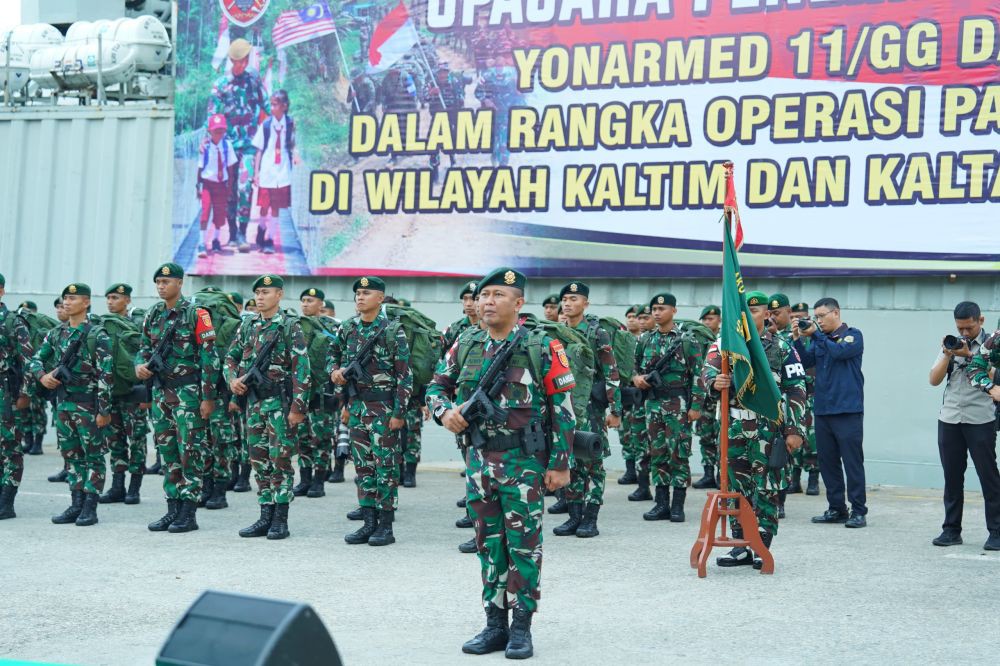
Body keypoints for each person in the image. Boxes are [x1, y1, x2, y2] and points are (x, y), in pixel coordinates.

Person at [427, 267, 575, 659]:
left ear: (518, 302)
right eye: (483, 295)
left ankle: (522, 628)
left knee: (524, 546)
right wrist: (445, 412)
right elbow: (436, 385)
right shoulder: (466, 342)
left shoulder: (543, 345)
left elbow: (564, 410)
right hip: (478, 460)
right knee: (488, 544)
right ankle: (495, 624)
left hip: (523, 463)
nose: (487, 302)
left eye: (497, 295)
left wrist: (560, 464)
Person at [704, 290, 806, 568]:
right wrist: (715, 382)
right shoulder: (724, 345)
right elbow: (707, 372)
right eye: (742, 311)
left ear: (767, 314)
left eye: (755, 310)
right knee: (738, 487)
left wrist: (794, 430)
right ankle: (740, 545)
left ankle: (761, 545)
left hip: (768, 428)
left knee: (767, 488)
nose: (748, 315)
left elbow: (796, 389)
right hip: (735, 426)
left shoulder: (782, 347)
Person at [136, 263, 219, 534]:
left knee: (190, 451)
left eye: (166, 281)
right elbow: (143, 349)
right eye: (158, 281)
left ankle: (188, 512)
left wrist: (208, 398)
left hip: (189, 394)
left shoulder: (197, 314)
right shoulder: (152, 314)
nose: (161, 286)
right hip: (161, 392)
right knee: (167, 450)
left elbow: (210, 358)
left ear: (180, 283)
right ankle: (172, 508)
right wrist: (140, 365)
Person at [328, 277, 412, 546]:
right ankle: (368, 523)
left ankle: (385, 526)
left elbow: (404, 376)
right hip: (357, 406)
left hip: (384, 408)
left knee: (384, 467)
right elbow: (333, 353)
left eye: (366, 293)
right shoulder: (347, 327)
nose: (360, 297)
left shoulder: (392, 331)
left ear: (380, 298)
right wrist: (335, 371)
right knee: (362, 466)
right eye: (357, 293)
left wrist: (399, 413)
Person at [228, 275, 310, 540]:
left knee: (280, 459)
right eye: (258, 293)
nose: (260, 297)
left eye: (266, 292)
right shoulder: (248, 325)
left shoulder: (289, 326)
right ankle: (265, 515)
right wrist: (232, 380)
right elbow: (231, 357)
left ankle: (280, 519)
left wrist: (298, 407)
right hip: (254, 403)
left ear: (280, 295)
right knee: (258, 459)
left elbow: (302, 369)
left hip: (280, 403)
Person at [29, 283, 113, 527]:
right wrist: (42, 376)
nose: (66, 302)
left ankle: (90, 507)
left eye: (73, 298)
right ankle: (75, 504)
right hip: (64, 405)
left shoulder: (98, 334)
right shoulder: (57, 333)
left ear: (86, 302)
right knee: (72, 457)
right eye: (65, 298)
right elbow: (36, 359)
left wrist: (104, 410)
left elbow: (106, 375)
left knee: (94, 457)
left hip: (89, 407)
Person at [552, 281, 621, 538]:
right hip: (564, 406)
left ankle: (590, 518)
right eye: (565, 299)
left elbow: (611, 371)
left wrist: (615, 409)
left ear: (586, 303)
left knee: (592, 462)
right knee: (569, 460)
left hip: (590, 408)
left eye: (574, 298)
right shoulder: (556, 331)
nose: (568, 303)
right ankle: (574, 515)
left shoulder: (597, 333)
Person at [795, 297, 868, 528]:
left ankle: (858, 510)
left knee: (852, 462)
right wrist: (798, 339)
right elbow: (805, 362)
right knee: (827, 462)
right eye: (815, 317)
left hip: (847, 410)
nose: (818, 321)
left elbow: (839, 353)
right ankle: (837, 508)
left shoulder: (853, 335)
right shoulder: (820, 340)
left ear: (836, 313)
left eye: (822, 316)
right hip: (824, 409)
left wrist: (815, 334)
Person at [632, 293, 704, 522]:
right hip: (653, 403)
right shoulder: (645, 339)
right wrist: (637, 378)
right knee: (657, 452)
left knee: (678, 453)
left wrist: (696, 406)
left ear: (673, 311)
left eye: (662, 309)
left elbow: (698, 375)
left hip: (678, 404)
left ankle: (677, 505)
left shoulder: (686, 340)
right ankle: (661, 503)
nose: (656, 312)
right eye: (654, 308)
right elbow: (633, 369)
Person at [943, 302, 1000, 550]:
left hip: (980, 419)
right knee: (952, 477)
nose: (964, 333)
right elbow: (982, 372)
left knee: (989, 477)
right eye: (960, 328)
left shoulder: (987, 341)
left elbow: (991, 371)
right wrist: (953, 355)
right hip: (952, 418)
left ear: (981, 320)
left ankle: (996, 531)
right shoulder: (990, 343)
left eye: (969, 327)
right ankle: (951, 530)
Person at [209, 38, 269, 253]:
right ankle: (232, 232)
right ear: (233, 61)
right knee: (229, 190)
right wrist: (209, 143)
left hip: (249, 144)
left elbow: (266, 104)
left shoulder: (253, 78)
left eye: (244, 60)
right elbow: (212, 115)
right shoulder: (221, 85)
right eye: (238, 61)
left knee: (245, 187)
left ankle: (242, 232)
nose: (241, 64)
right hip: (228, 146)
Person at [98, 283, 150, 506]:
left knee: (137, 440)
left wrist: (148, 397)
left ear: (127, 300)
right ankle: (117, 486)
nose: (111, 301)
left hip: (134, 393)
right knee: (115, 441)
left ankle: (134, 488)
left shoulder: (139, 322)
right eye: (108, 297)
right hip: (112, 392)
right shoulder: (102, 325)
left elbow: (148, 358)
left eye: (116, 297)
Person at [293, 287, 335, 498]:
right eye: (303, 300)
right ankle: (305, 480)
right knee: (302, 438)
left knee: (321, 438)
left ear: (321, 304)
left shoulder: (332, 327)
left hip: (322, 394)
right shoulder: (294, 326)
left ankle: (319, 481)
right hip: (301, 394)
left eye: (310, 300)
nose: (305, 304)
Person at [0, 273, 35, 520]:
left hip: (6, 395)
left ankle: (7, 501)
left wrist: (25, 394)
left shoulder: (13, 322)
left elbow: (29, 361)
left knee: (10, 447)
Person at [252, 90, 299, 254]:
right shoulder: (265, 125)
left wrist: (296, 155)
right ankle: (261, 229)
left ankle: (271, 239)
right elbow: (259, 150)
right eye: (271, 104)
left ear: (284, 106)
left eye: (274, 105)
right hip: (268, 169)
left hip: (282, 169)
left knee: (277, 207)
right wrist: (256, 173)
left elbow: (292, 143)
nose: (271, 108)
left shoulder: (291, 123)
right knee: (264, 206)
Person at [788, 301, 820, 495]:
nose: (797, 321)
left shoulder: (815, 336)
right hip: (796, 394)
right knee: (794, 432)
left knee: (813, 438)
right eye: (793, 318)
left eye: (801, 318)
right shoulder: (788, 338)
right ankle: (795, 479)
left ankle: (814, 478)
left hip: (813, 393)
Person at [196, 113, 237, 257]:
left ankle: (216, 241)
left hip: (222, 186)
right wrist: (198, 187)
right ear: (209, 131)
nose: (219, 133)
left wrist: (230, 188)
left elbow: (231, 170)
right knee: (205, 213)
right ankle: (201, 243)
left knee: (220, 215)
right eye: (216, 131)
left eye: (221, 130)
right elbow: (200, 168)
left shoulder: (228, 146)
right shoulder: (205, 147)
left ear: (225, 131)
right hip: (208, 185)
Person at [692, 305, 722, 490]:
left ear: (719, 320)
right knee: (705, 435)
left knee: (720, 436)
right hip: (704, 397)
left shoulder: (723, 339)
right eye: (704, 319)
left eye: (710, 319)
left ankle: (721, 474)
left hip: (719, 396)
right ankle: (708, 473)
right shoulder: (697, 339)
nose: (707, 322)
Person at [618, 304, 643, 484]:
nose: (632, 319)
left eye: (636, 316)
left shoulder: (645, 340)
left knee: (640, 435)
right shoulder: (622, 341)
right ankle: (630, 470)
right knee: (625, 433)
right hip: (625, 392)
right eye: (629, 316)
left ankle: (642, 473)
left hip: (641, 394)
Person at [442, 281, 480, 352]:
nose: (468, 304)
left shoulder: (491, 327)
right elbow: (437, 350)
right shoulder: (453, 328)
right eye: (465, 299)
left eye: (473, 299)